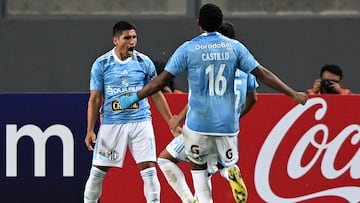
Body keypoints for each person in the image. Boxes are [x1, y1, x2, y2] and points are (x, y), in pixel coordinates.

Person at [118, 3, 308, 203]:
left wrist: (133, 97)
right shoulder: (235, 48)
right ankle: (230, 171)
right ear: (219, 23)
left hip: (198, 123)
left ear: (199, 23)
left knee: (199, 172)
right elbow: (263, 74)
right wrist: (292, 93)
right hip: (227, 123)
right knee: (225, 164)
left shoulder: (189, 48)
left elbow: (161, 81)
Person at [157, 21, 258, 203]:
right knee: (216, 167)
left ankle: (189, 200)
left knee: (166, 160)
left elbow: (201, 98)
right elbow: (253, 99)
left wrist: (178, 118)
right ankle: (229, 173)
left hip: (202, 125)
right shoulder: (244, 66)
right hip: (227, 128)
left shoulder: (210, 63)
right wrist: (236, 117)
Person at [83, 20, 176, 203]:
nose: (132, 41)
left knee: (149, 169)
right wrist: (90, 129)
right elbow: (95, 99)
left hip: (140, 121)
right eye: (127, 38)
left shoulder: (144, 62)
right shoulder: (102, 64)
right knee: (97, 172)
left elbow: (156, 94)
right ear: (116, 40)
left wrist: (170, 121)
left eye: (134, 37)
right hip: (112, 123)